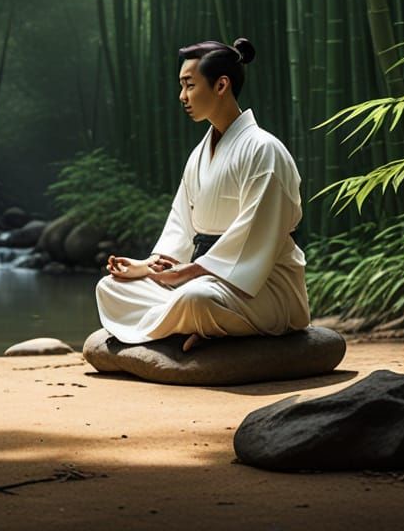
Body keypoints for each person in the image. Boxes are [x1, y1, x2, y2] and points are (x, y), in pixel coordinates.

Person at [95, 38, 310, 352]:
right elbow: (181, 228)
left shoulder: (264, 150)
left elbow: (256, 236)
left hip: (262, 287)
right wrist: (147, 266)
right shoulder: (198, 154)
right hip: (203, 277)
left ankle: (189, 324)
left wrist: (192, 271)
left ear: (221, 85)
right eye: (182, 87)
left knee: (196, 299)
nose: (182, 96)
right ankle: (197, 327)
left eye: (189, 85)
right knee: (110, 288)